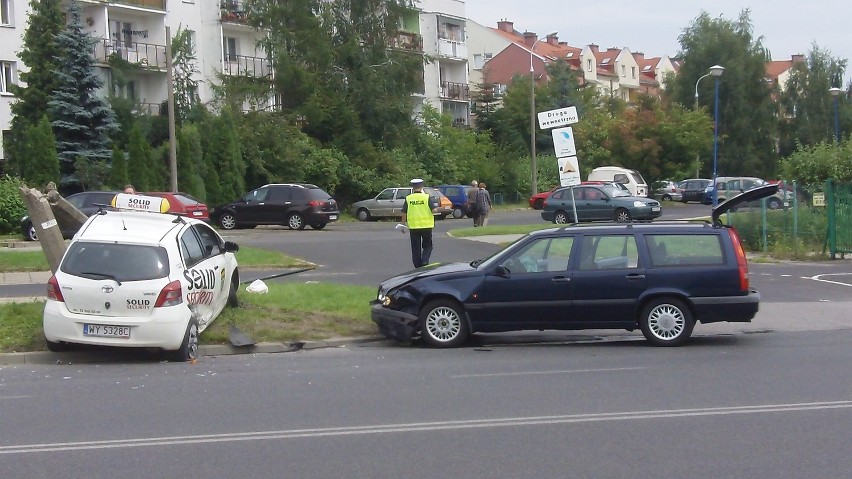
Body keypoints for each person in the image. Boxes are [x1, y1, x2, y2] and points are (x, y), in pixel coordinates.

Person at [401, 178, 439, 268]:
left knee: (415, 248)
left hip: (414, 227)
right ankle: (425, 261)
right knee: (428, 246)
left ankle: (417, 267)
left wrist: (403, 225)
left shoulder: (408, 198)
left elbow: (403, 212)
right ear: (422, 186)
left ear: (412, 187)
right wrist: (440, 209)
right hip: (426, 225)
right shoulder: (426, 197)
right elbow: (434, 210)